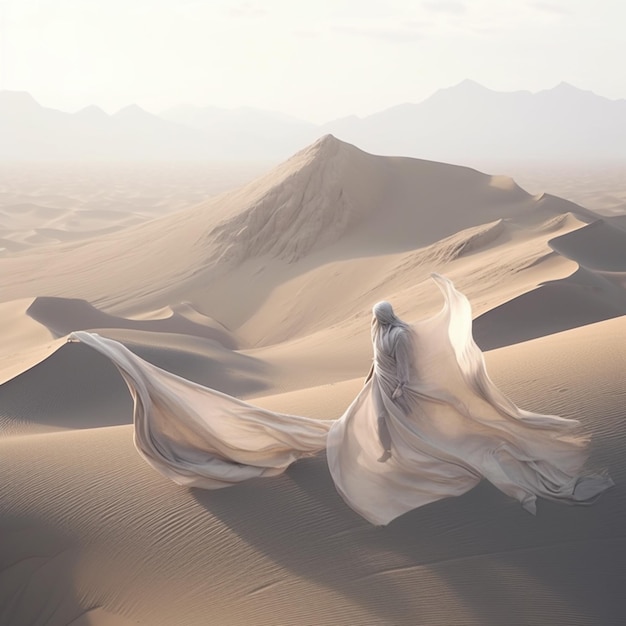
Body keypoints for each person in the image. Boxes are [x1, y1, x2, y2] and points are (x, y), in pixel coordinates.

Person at [68, 274, 613, 526]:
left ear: (384, 319)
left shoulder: (395, 336)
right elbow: (377, 365)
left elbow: (397, 369)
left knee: (401, 441)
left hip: (396, 396)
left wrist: (390, 395)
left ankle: (426, 471)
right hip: (381, 392)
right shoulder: (386, 334)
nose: (377, 322)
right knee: (380, 437)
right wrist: (370, 387)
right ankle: (407, 457)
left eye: (378, 318)